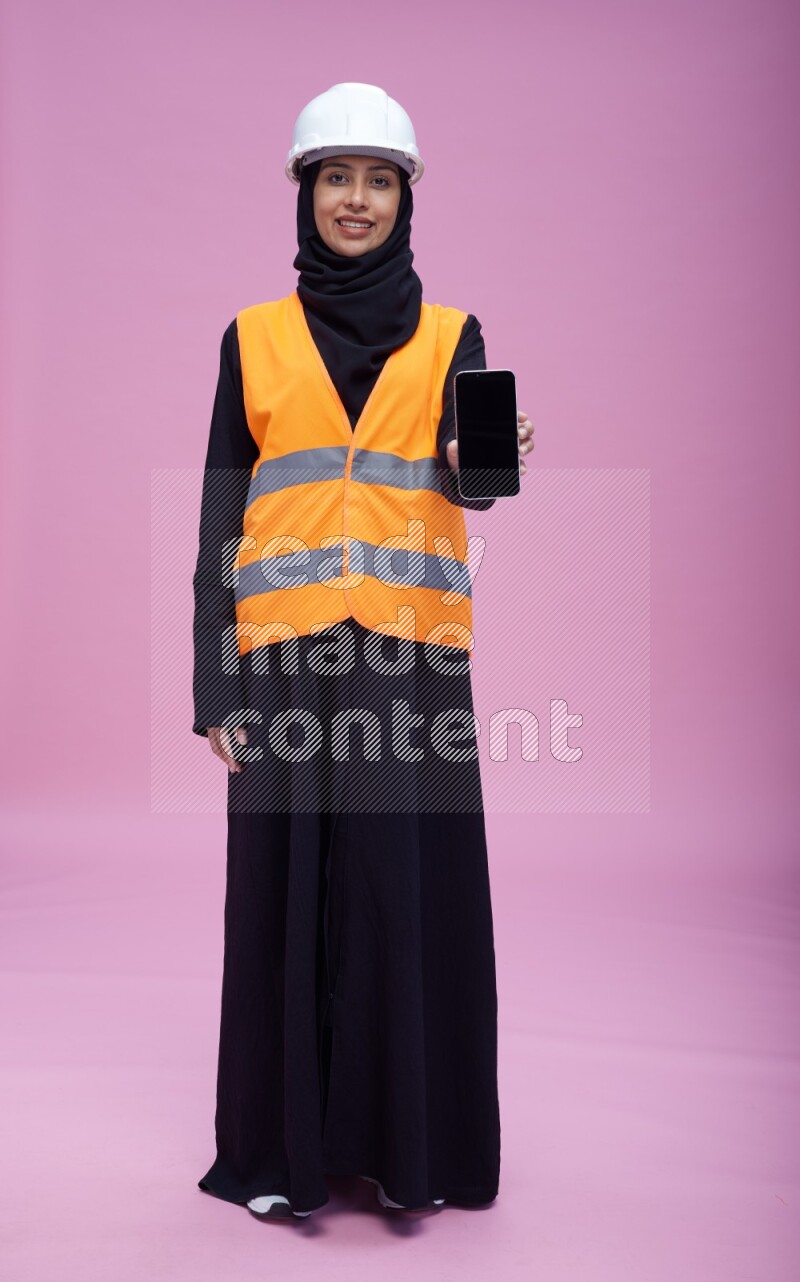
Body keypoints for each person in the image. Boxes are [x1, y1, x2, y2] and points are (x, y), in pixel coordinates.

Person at [192, 82, 535, 1221]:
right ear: (304, 192)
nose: (356, 199)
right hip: (282, 664)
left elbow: (476, 489)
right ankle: (278, 1158)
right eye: (335, 177)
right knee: (281, 903)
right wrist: (214, 685)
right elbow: (221, 516)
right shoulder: (251, 339)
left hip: (408, 669)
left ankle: (408, 1155)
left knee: (402, 900)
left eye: (377, 180)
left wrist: (485, 459)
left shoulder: (453, 336)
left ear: (405, 199)